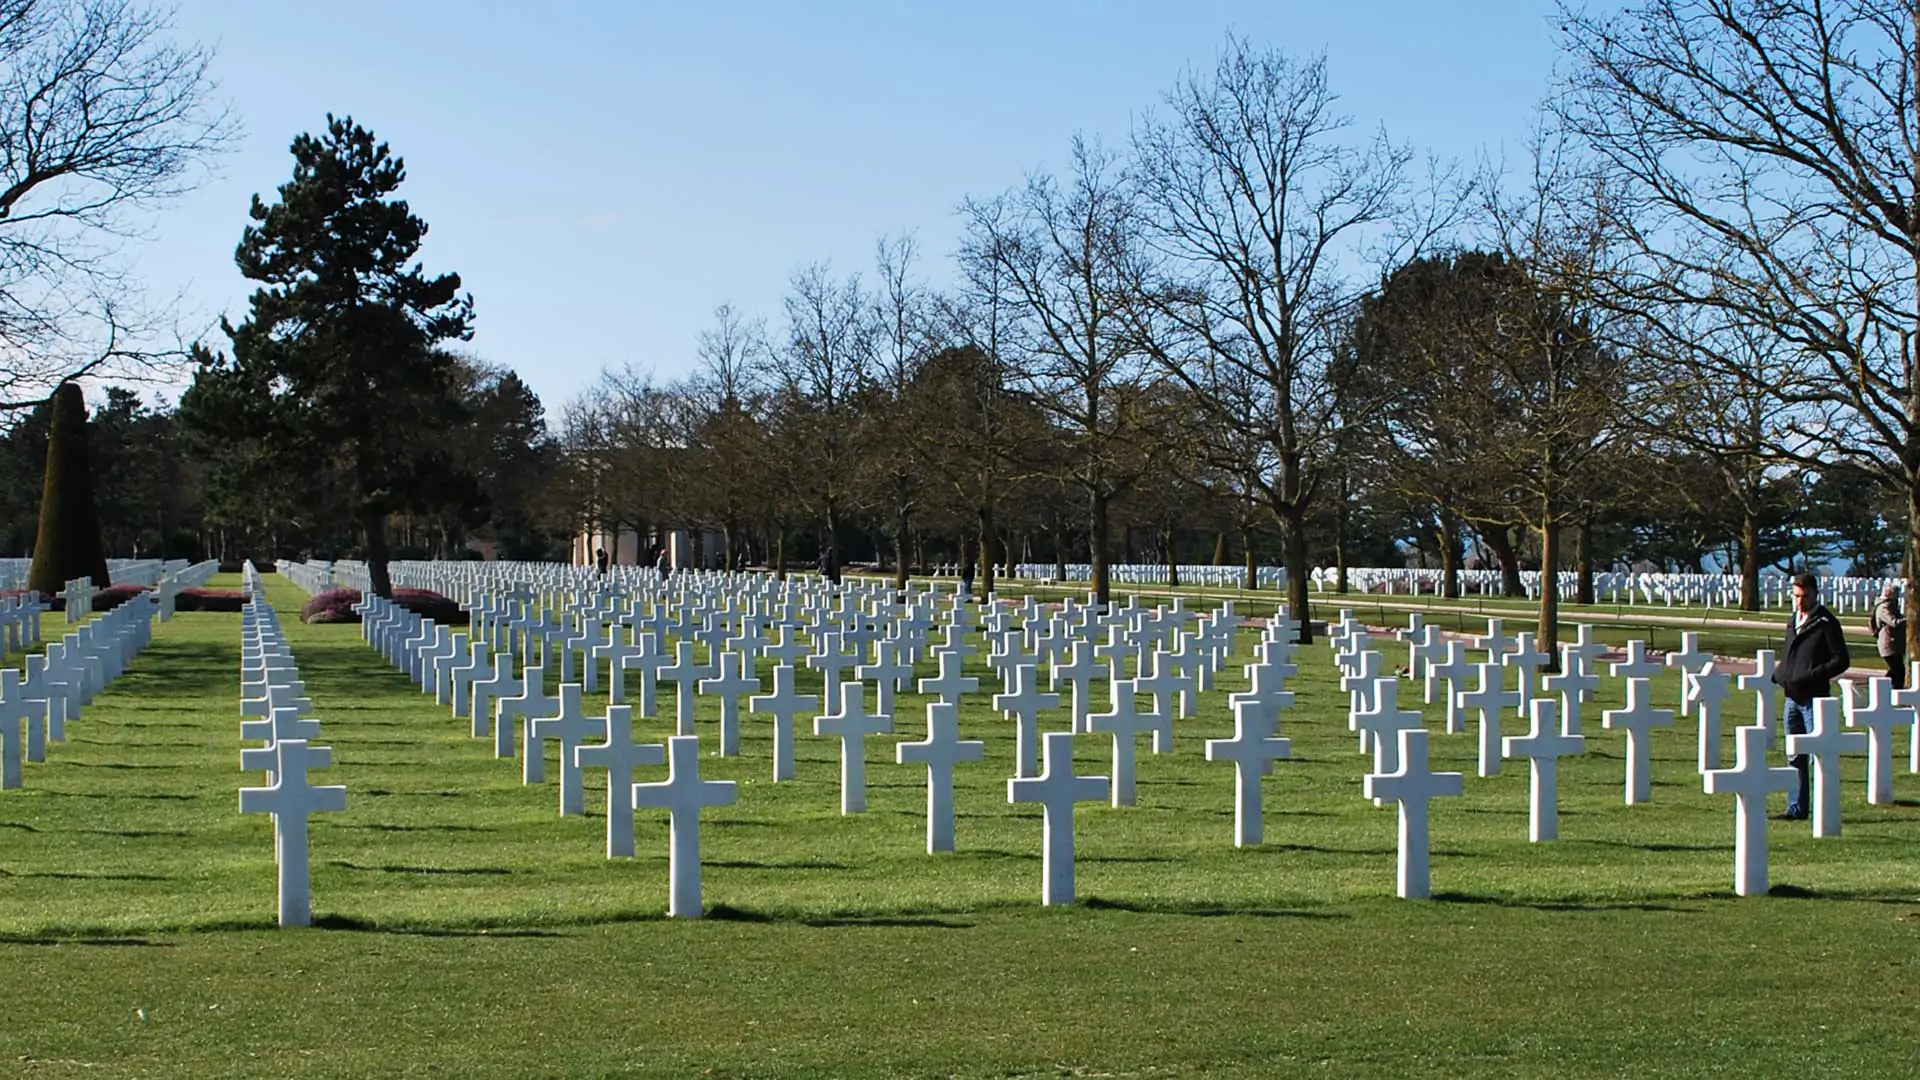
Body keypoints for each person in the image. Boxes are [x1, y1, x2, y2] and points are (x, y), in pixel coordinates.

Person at [1769, 572, 1851, 821]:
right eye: (1796, 596)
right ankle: (1796, 807)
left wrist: (1811, 676)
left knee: (1819, 755)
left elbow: (1841, 660)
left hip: (1814, 699)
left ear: (1815, 593)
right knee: (1794, 755)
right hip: (1791, 698)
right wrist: (1781, 674)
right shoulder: (1793, 620)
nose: (1800, 601)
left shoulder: (1826, 622)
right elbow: (1790, 652)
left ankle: (1824, 809)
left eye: (1804, 596)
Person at [1872, 582, 1906, 688]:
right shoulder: (1883, 608)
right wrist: (1908, 619)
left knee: (1895, 670)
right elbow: (1893, 622)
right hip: (1888, 644)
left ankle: (1884, 689)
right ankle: (1889, 690)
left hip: (1896, 643)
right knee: (1898, 670)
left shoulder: (1892, 607)